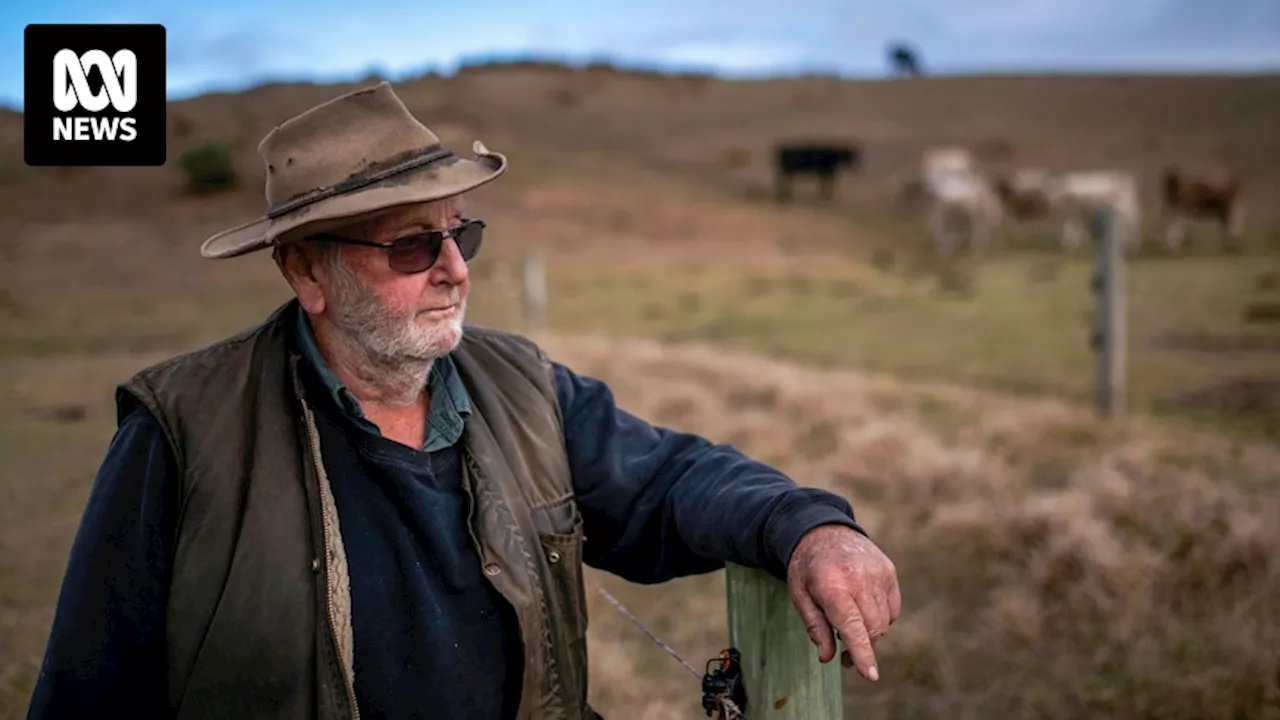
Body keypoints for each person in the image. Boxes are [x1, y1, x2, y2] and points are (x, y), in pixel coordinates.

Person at [27, 81, 900, 720]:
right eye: (413, 246)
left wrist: (808, 524)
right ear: (306, 271)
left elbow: (670, 481)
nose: (455, 269)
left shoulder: (520, 384)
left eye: (462, 232)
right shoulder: (181, 430)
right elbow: (88, 690)